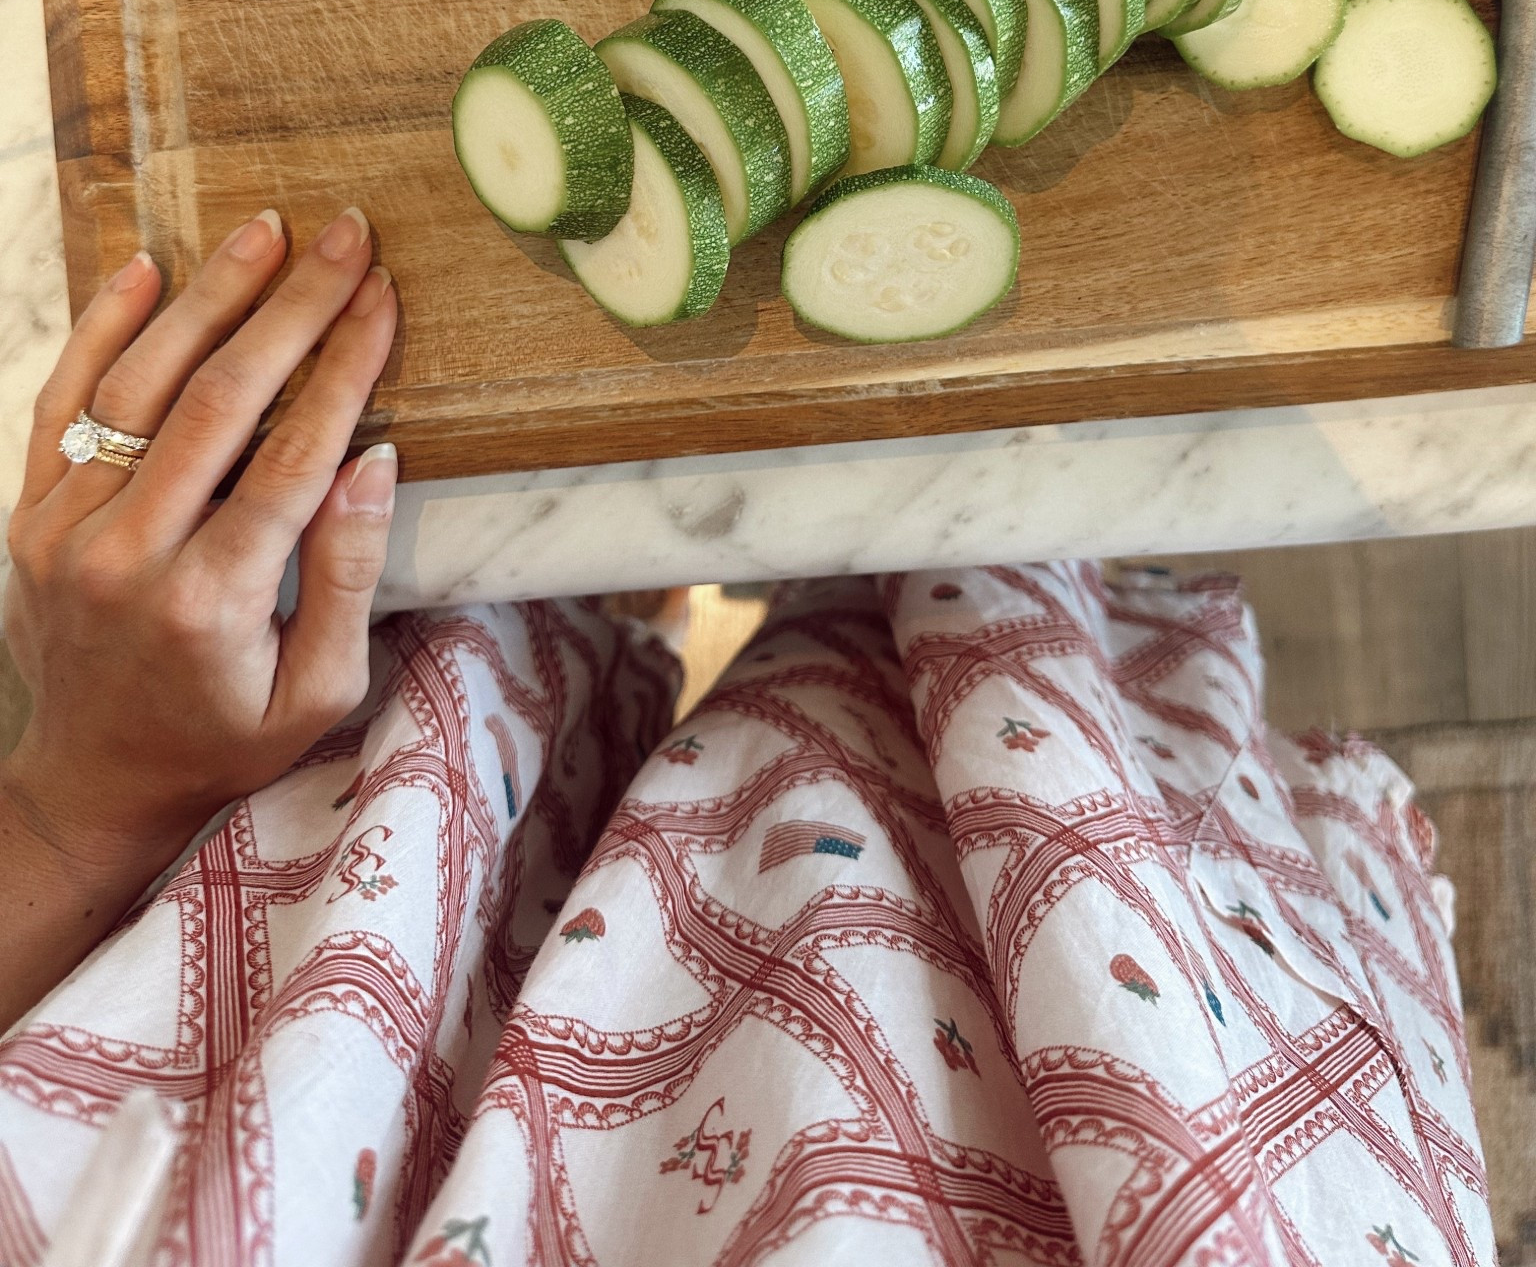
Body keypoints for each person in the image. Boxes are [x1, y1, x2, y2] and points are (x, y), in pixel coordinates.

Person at [0, 212, 1498, 1265]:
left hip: (318, 833)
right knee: (1006, 680)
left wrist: (88, 795)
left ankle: (608, 624)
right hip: (1104, 1046)